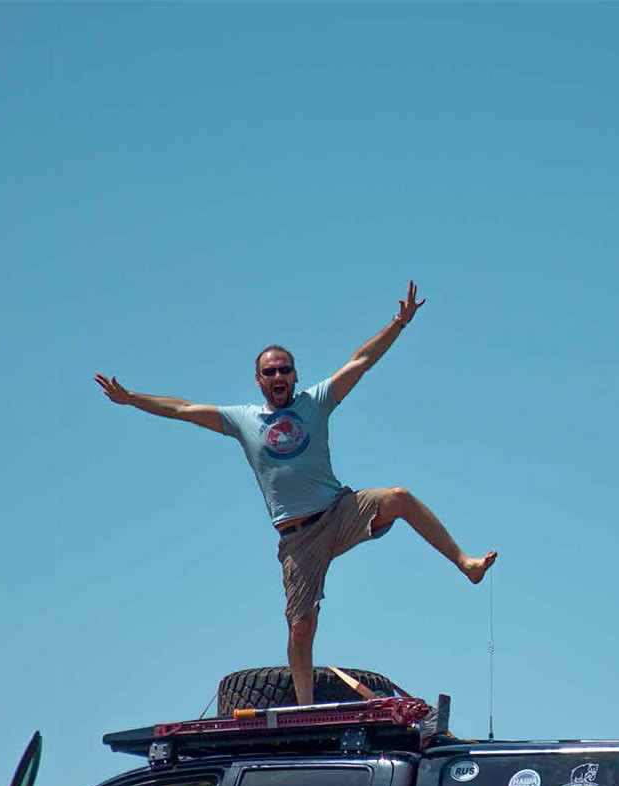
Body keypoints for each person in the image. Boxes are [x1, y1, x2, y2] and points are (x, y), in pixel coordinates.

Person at [95, 282, 496, 705]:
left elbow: (361, 362)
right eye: (269, 372)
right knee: (302, 626)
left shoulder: (315, 402)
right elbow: (183, 409)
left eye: (284, 370)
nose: (278, 377)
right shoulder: (243, 420)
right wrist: (132, 399)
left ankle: (464, 563)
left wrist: (398, 323)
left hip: (339, 511)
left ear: (295, 375)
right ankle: (305, 709)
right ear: (258, 380)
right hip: (298, 538)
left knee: (399, 497)